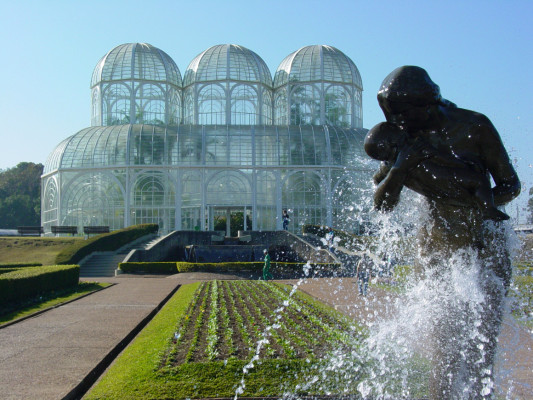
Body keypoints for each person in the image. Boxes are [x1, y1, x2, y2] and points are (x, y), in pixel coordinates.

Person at [367, 65, 520, 399]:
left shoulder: (473, 127)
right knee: (444, 352)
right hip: (436, 246)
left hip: (483, 246)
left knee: (481, 352)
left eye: (403, 116)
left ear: (426, 105)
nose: (399, 125)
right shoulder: (404, 135)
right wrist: (402, 165)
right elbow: (381, 203)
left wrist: (469, 199)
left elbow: (510, 185)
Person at [365, 121, 510, 221]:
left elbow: (378, 179)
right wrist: (399, 169)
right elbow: (381, 204)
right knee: (479, 181)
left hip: (447, 181)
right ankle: (487, 209)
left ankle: (486, 210)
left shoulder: (398, 158)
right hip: (446, 178)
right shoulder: (409, 152)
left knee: (478, 183)